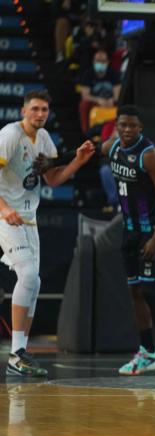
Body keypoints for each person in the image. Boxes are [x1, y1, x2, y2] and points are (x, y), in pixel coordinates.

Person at [1, 90, 95, 376]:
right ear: (23, 111)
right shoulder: (9, 135)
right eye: (35, 109)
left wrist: (78, 161)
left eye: (44, 109)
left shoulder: (43, 139)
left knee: (36, 283)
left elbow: (52, 180)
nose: (40, 114)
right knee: (28, 276)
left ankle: (21, 352)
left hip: (28, 218)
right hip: (6, 216)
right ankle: (15, 354)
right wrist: (3, 209)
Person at [100, 106, 155, 378]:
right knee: (135, 291)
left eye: (132, 126)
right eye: (123, 125)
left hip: (153, 229)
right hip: (129, 229)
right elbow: (91, 149)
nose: (127, 130)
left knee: (149, 291)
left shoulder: (151, 156)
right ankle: (147, 353)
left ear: (140, 128)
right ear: (116, 126)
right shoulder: (110, 148)